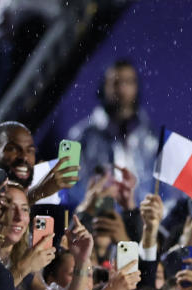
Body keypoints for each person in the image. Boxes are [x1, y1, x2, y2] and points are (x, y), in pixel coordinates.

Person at [66, 59, 159, 206]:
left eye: (128, 82)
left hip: (140, 223)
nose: (122, 89)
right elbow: (66, 187)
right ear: (104, 87)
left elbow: (165, 191)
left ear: (136, 87)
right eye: (115, 83)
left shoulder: (153, 138)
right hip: (95, 222)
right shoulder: (77, 137)